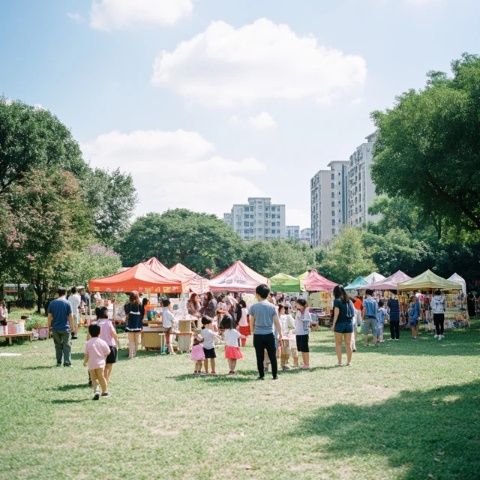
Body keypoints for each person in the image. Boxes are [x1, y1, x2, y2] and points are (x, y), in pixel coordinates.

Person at [249, 284, 283, 380]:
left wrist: (252, 331)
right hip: (269, 334)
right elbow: (277, 322)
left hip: (258, 335)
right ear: (267, 294)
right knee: (272, 356)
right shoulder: (272, 307)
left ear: (257, 294)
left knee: (259, 356)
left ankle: (261, 375)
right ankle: (275, 375)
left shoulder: (254, 307)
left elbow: (251, 321)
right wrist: (280, 334)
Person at [47, 288, 74, 367]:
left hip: (55, 328)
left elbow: (49, 317)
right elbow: (70, 316)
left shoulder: (52, 303)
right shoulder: (68, 303)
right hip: (65, 328)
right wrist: (72, 327)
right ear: (65, 293)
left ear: (58, 294)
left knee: (58, 346)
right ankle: (67, 362)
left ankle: (58, 362)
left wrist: (48, 327)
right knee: (67, 345)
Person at [83, 324, 111, 400]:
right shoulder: (102, 342)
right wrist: (103, 357)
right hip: (100, 364)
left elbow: (86, 355)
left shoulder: (87, 343)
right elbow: (108, 352)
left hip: (91, 364)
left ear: (89, 332)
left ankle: (96, 391)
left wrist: (85, 362)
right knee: (101, 377)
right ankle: (105, 392)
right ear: (100, 332)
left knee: (94, 379)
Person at [331, 285, 354, 367]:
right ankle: (349, 362)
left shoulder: (337, 301)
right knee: (348, 343)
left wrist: (333, 324)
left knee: (338, 343)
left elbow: (336, 314)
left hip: (340, 324)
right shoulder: (348, 300)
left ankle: (340, 362)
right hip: (349, 323)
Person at [96, 306, 119, 383]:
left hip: (99, 346)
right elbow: (114, 334)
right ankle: (106, 379)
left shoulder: (96, 323)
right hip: (110, 346)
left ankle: (103, 379)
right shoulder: (108, 322)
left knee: (102, 365)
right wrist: (117, 342)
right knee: (109, 365)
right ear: (105, 313)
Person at [124, 291, 144, 359]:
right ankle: (134, 354)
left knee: (131, 341)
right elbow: (142, 316)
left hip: (130, 325)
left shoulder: (127, 305)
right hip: (138, 325)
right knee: (136, 341)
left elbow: (126, 314)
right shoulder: (140, 305)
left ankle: (130, 355)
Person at [294, 299, 312, 369]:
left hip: (304, 333)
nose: (296, 305)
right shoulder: (298, 312)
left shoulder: (306, 312)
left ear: (302, 305)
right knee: (301, 349)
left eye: (297, 304)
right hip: (298, 332)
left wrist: (302, 316)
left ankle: (307, 364)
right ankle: (304, 363)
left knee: (305, 349)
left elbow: (308, 321)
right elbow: (296, 321)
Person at [278, 304, 295, 370]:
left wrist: (290, 332)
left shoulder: (287, 316)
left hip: (286, 336)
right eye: (282, 309)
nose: (284, 310)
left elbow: (293, 325)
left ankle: (285, 363)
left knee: (287, 351)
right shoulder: (276, 316)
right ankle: (282, 364)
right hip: (279, 336)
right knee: (281, 351)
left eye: (284, 309)